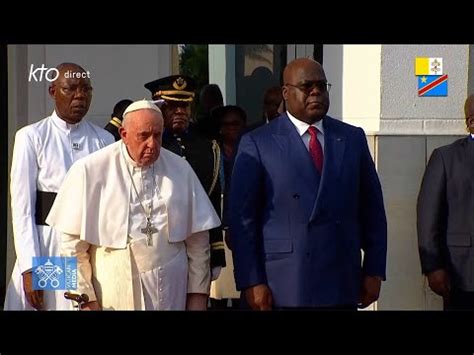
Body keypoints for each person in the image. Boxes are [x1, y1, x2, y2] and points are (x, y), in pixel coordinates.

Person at [229, 58, 387, 310]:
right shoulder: (258, 143)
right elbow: (242, 221)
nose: (316, 92)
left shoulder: (351, 138)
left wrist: (374, 270)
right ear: (286, 92)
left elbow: (373, 211)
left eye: (322, 86)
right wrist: (251, 281)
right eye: (307, 86)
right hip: (283, 284)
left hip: (340, 281)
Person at [46, 100, 220, 310]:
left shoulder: (180, 169)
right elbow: (70, 247)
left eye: (157, 135)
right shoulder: (90, 170)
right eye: (143, 136)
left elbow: (198, 243)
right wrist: (85, 301)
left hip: (171, 290)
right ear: (124, 134)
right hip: (113, 289)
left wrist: (198, 296)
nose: (152, 144)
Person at [4, 62, 114, 311]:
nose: (80, 96)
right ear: (53, 91)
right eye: (71, 88)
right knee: (55, 305)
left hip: (90, 246)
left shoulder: (104, 140)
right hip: (49, 245)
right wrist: (30, 267)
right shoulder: (32, 137)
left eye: (86, 89)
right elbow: (22, 208)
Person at [144, 75, 225, 283]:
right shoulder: (149, 148)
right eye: (172, 106)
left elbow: (212, 204)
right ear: (159, 107)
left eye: (185, 106)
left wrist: (216, 251)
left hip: (196, 245)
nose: (179, 111)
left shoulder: (208, 148)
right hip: (157, 245)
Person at [417, 95, 474, 310]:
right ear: (471, 123)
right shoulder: (446, 158)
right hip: (463, 273)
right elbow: (427, 216)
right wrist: (433, 267)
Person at [209, 105, 247, 309]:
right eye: (226, 124)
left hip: (241, 225)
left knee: (242, 287)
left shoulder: (251, 148)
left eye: (235, 124)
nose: (230, 128)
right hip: (218, 223)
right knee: (218, 292)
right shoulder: (213, 150)